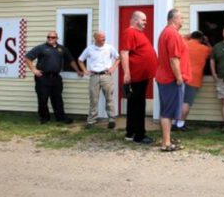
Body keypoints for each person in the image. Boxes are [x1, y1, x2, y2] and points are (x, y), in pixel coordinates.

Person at [25, 31, 82, 125]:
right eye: (48, 37)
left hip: (56, 78)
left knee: (57, 99)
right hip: (43, 78)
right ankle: (44, 118)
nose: (50, 39)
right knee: (42, 99)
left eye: (52, 37)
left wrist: (78, 70)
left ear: (56, 38)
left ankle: (61, 118)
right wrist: (34, 70)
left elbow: (71, 60)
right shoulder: (41, 48)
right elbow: (27, 58)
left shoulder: (62, 49)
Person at [120, 11, 158, 145]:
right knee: (138, 105)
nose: (145, 23)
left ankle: (130, 132)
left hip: (142, 75)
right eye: (143, 20)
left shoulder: (139, 33)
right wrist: (127, 73)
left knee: (134, 105)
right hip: (137, 75)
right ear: (135, 20)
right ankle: (139, 136)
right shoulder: (129, 32)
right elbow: (124, 52)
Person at [156, 8, 190, 152]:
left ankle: (167, 139)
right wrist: (179, 77)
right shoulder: (172, 34)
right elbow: (173, 59)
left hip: (166, 77)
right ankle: (166, 144)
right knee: (167, 112)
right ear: (173, 19)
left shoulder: (168, 32)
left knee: (168, 111)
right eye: (181, 18)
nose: (183, 20)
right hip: (171, 79)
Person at [78, 31, 120, 129]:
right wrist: (85, 71)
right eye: (101, 37)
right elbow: (80, 60)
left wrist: (113, 68)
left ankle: (111, 119)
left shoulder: (109, 47)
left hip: (106, 76)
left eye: (104, 37)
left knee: (109, 98)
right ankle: (91, 121)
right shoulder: (90, 48)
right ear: (95, 38)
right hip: (94, 76)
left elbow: (118, 58)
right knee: (93, 99)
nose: (103, 39)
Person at [174, 31, 211, 131]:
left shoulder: (184, 43)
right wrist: (206, 41)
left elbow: (180, 38)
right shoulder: (205, 49)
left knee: (178, 101)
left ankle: (175, 122)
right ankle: (180, 124)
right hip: (194, 78)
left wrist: (188, 36)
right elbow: (212, 52)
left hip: (181, 76)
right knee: (186, 102)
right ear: (201, 39)